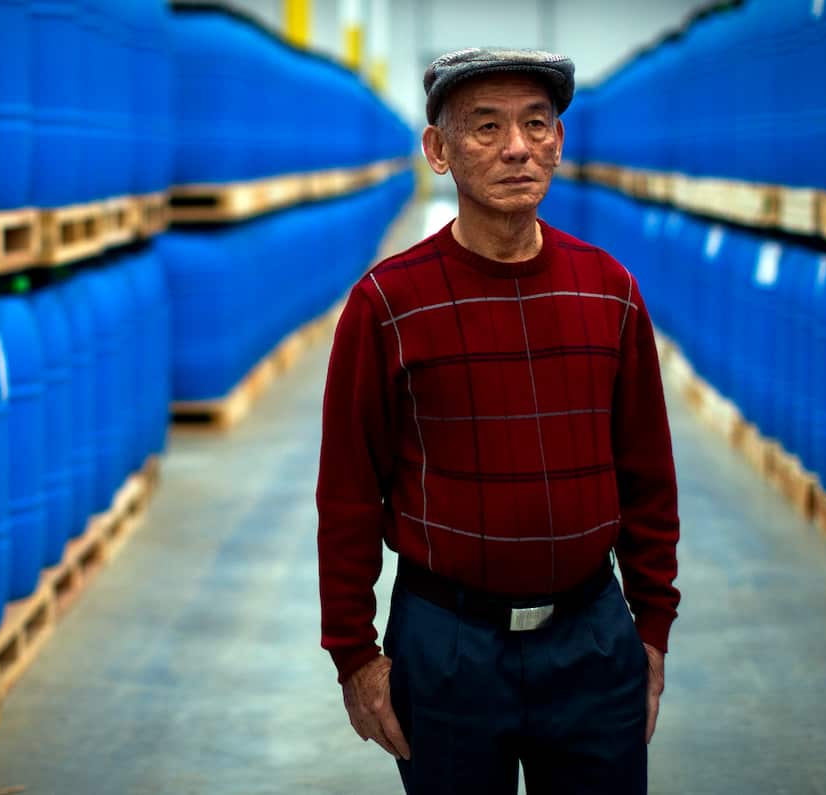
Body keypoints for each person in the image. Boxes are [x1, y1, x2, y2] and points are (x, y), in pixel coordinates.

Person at [316, 48, 681, 794]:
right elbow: (349, 494)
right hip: (448, 647)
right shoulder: (388, 304)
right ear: (438, 150)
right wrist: (353, 651)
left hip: (591, 640)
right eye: (485, 127)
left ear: (559, 141)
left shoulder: (609, 292)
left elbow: (648, 476)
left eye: (536, 124)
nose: (518, 146)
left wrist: (649, 628)